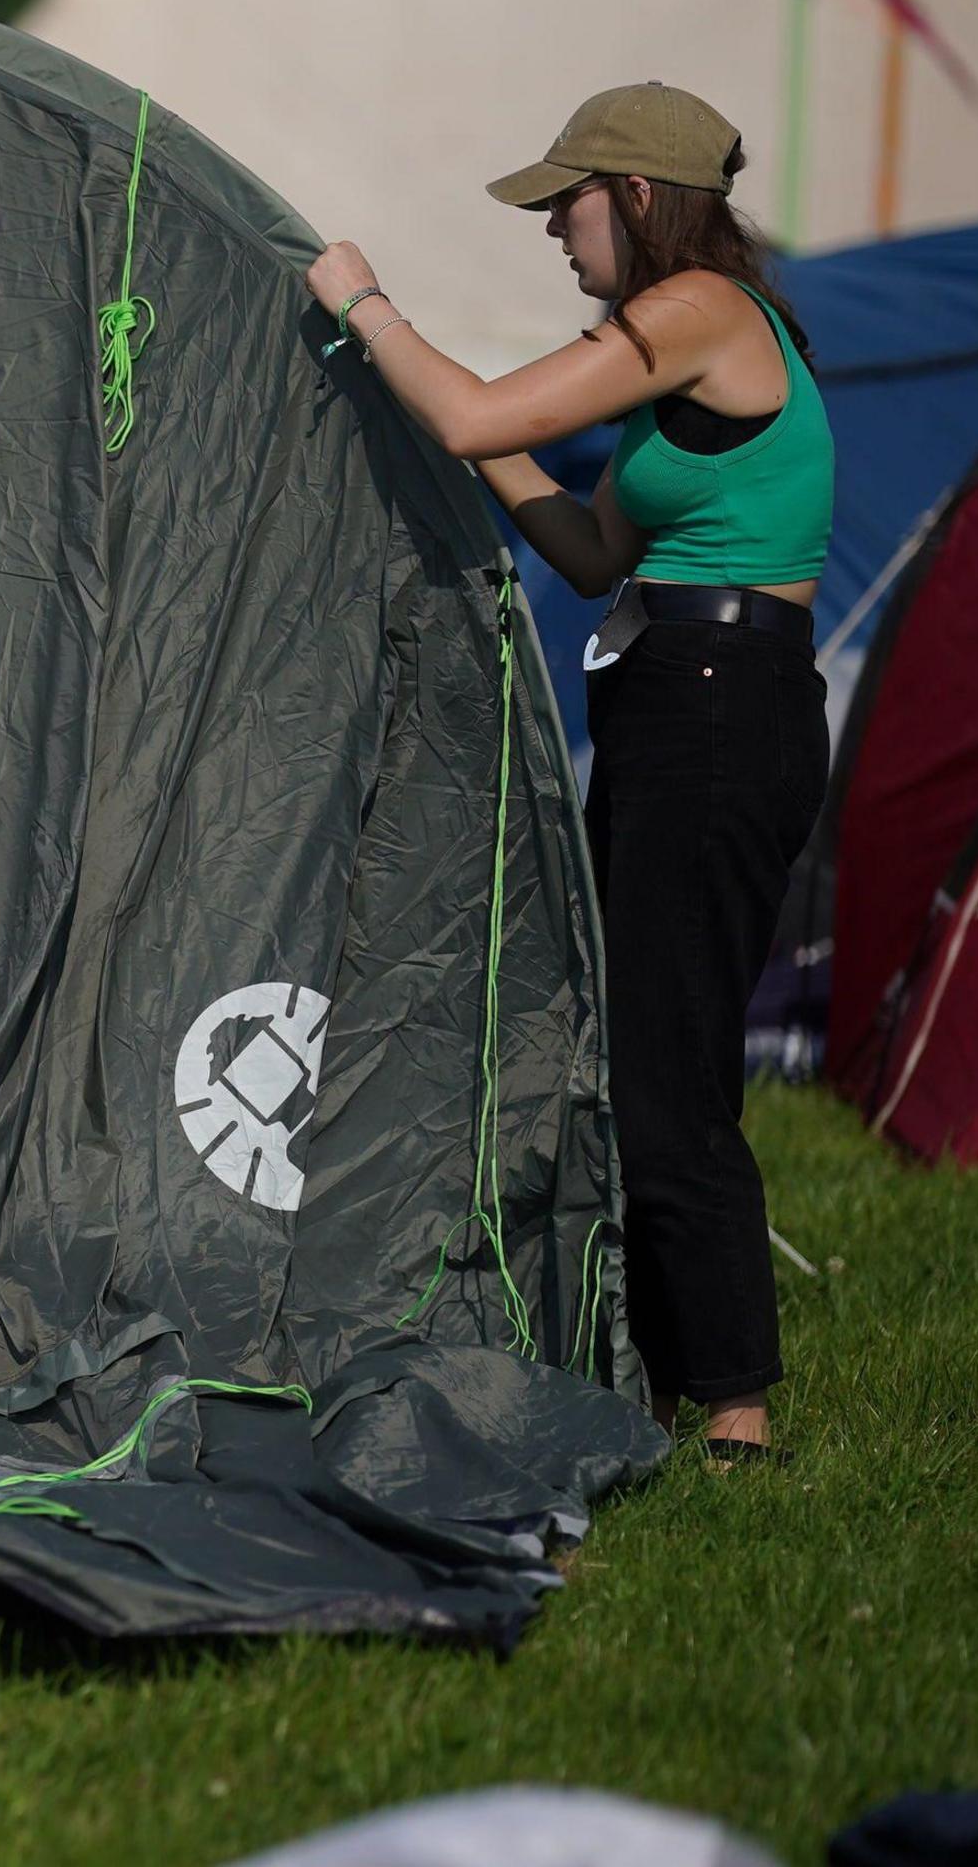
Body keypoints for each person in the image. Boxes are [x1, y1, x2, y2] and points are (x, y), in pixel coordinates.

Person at [305, 84, 828, 1464]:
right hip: (682, 703)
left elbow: (477, 414)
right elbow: (594, 555)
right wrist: (451, 426)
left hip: (721, 709)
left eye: (568, 201)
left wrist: (367, 305)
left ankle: (735, 1405)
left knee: (666, 1075)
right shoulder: (690, 348)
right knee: (635, 1051)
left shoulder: (697, 310)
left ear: (640, 199)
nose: (553, 229)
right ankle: (676, 1371)